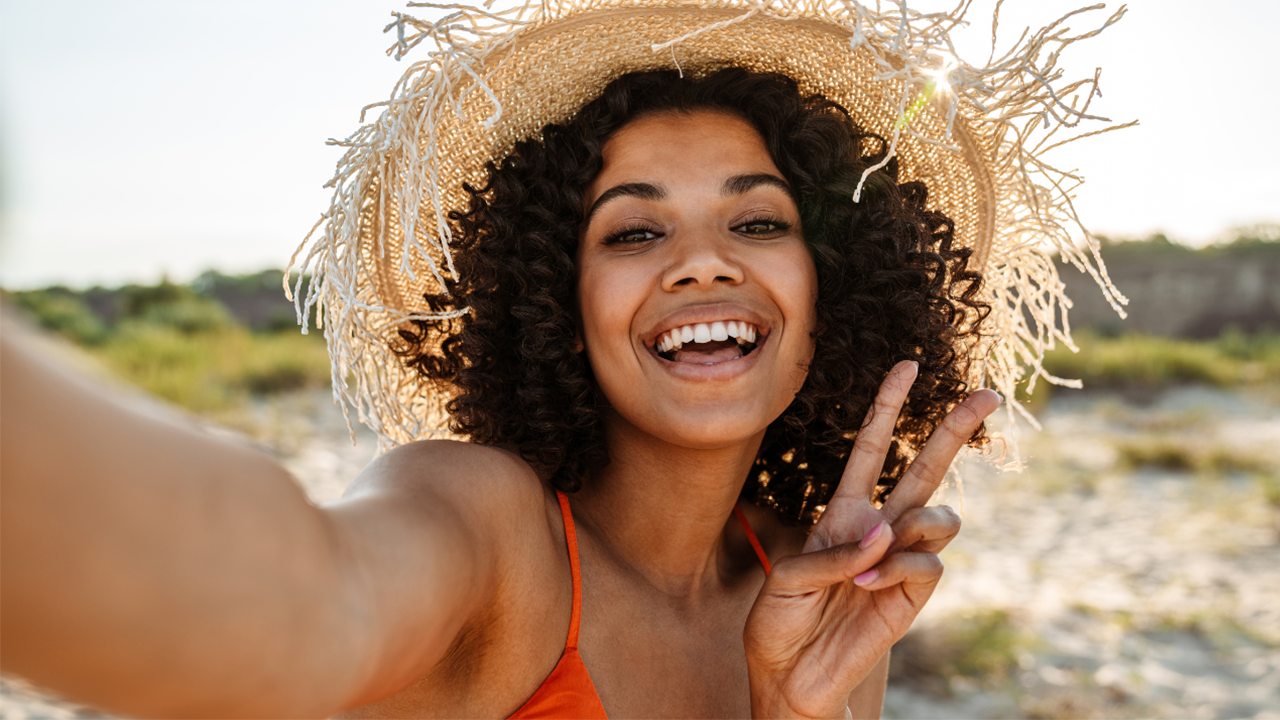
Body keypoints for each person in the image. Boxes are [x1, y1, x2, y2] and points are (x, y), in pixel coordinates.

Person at [0, 1, 1125, 717]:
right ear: (551, 306)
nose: (699, 265)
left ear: (833, 298)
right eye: (633, 232)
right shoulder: (487, 527)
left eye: (758, 222)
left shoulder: (822, 593)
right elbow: (289, 602)